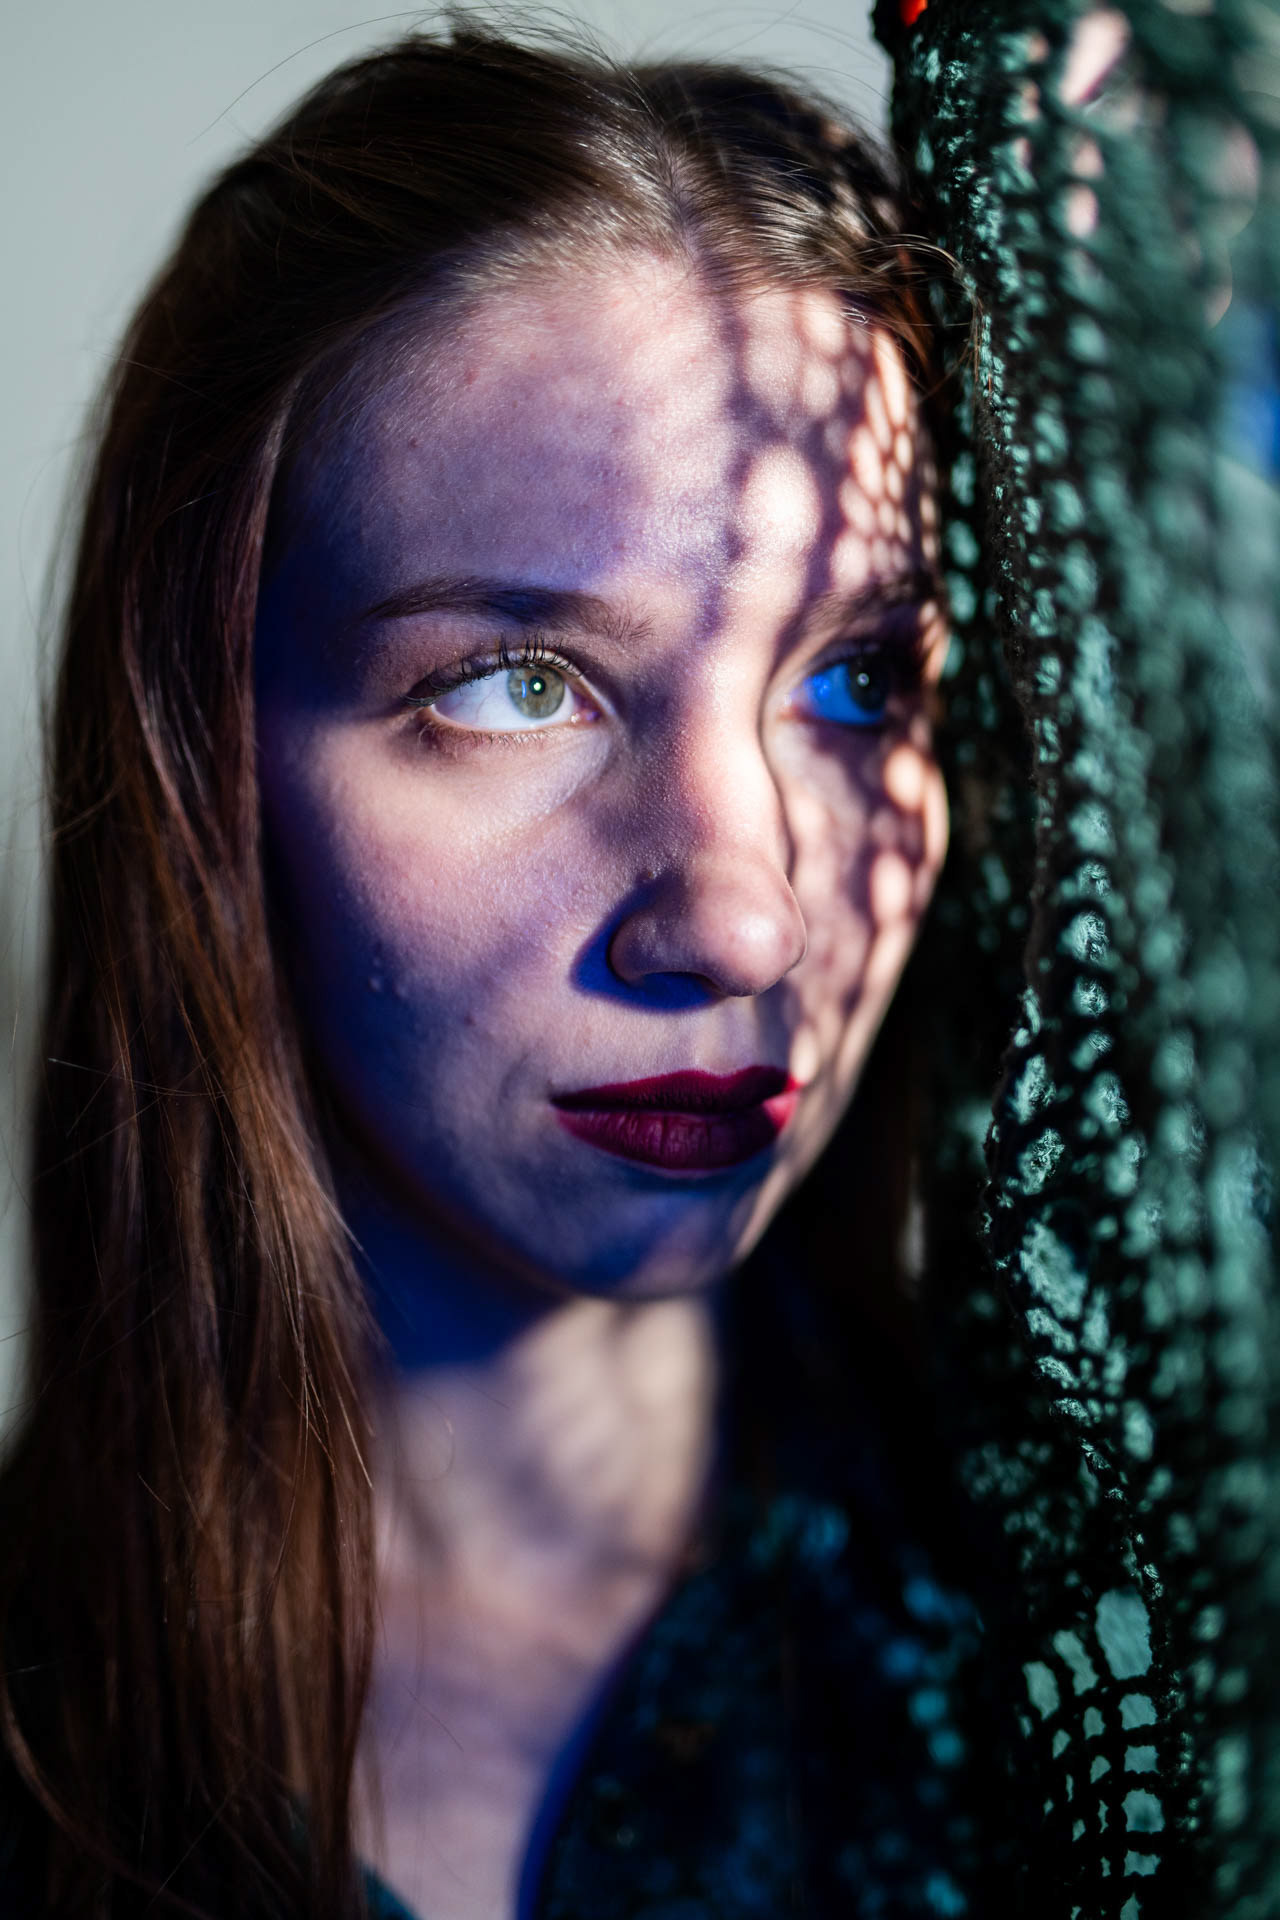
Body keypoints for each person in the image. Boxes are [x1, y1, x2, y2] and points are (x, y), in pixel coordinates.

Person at [0, 24, 1000, 1920]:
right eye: (519, 686)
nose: (746, 921)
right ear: (209, 765)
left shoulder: (1119, 1660)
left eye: (860, 678)